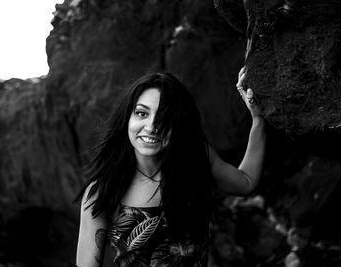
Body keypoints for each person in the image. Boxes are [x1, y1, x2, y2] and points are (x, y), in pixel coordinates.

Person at [75, 67, 265, 267]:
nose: (152, 126)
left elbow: (246, 183)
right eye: (141, 113)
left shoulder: (196, 159)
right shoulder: (102, 191)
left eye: (165, 117)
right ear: (127, 118)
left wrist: (258, 120)